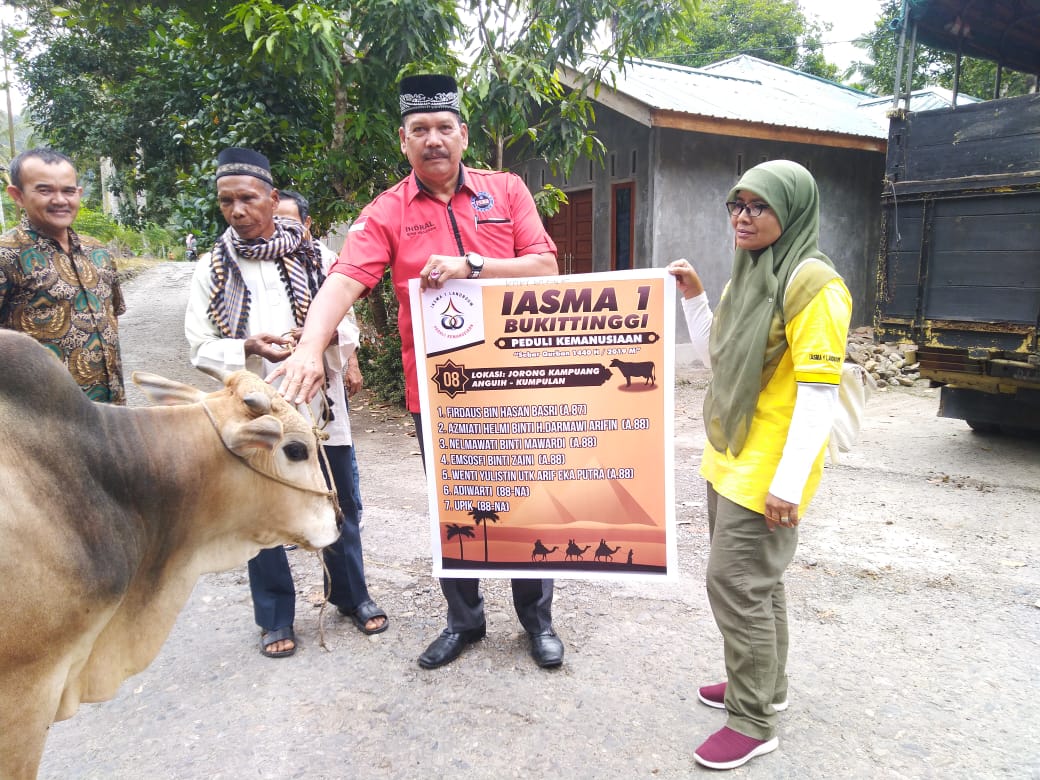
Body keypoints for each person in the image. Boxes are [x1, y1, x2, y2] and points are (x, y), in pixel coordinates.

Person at [272, 74, 564, 670]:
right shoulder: (386, 211)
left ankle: (537, 622)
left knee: (525, 503)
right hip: (441, 393)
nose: (433, 140)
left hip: (517, 380)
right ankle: (466, 621)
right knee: (455, 506)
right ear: (403, 141)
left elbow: (545, 267)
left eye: (443, 128)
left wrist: (470, 265)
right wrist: (309, 346)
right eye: (419, 131)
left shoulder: (505, 191)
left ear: (463, 135)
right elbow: (345, 280)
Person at [668, 160, 852, 770]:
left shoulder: (813, 285)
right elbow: (718, 353)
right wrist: (694, 297)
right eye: (735, 205)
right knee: (758, 585)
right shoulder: (750, 273)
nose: (742, 218)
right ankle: (765, 687)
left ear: (791, 211)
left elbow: (820, 396)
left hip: (770, 467)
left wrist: (789, 483)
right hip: (731, 452)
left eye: (758, 206)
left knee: (736, 584)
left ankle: (753, 721)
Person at [183, 148, 387, 658]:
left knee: (340, 501)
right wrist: (247, 346)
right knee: (263, 511)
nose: (237, 210)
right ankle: (275, 616)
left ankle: (351, 596)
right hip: (257, 414)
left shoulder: (318, 257)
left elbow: (347, 323)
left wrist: (315, 341)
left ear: (272, 199)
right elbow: (198, 344)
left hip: (320, 409)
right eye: (226, 201)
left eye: (248, 198)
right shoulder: (212, 268)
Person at [1, 147, 126, 404]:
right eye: (44, 190)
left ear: (79, 194)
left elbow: (111, 318)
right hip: (41, 418)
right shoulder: (6, 255)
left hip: (110, 415)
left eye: (68, 191)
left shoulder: (98, 252)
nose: (59, 200)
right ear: (17, 195)